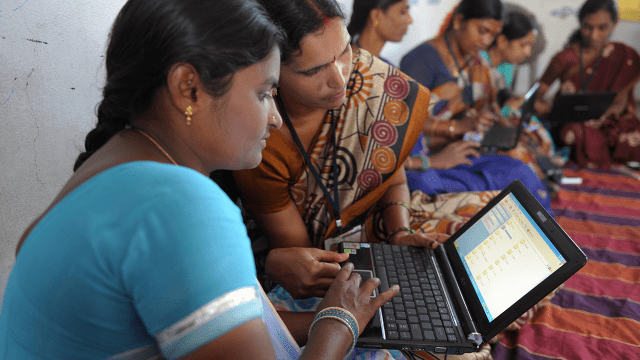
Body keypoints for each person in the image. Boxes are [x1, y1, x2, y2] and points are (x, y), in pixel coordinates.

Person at [0, 0, 400, 359]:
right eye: (263, 93)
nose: (275, 118)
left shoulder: (113, 160)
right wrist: (338, 321)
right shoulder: (183, 205)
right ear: (188, 88)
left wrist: (349, 315)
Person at [233, 0, 495, 358]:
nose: (340, 79)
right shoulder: (262, 142)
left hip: (382, 230)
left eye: (344, 52)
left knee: (481, 232)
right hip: (332, 262)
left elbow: (394, 175)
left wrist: (400, 231)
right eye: (313, 71)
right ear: (271, 73)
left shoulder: (372, 86)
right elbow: (312, 258)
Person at [399, 0, 554, 213]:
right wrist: (456, 127)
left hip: (464, 149)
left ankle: (538, 237)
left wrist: (487, 124)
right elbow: (405, 122)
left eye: (492, 34)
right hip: (427, 157)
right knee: (429, 190)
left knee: (520, 172)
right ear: (459, 21)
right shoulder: (420, 59)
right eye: (482, 31)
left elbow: (489, 104)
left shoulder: (477, 60)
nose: (486, 41)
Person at [536, 0, 640, 169]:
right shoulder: (565, 58)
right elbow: (537, 93)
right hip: (573, 122)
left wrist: (600, 119)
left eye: (602, 27)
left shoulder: (624, 55)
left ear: (614, 24)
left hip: (609, 120)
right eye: (587, 27)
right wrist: (549, 109)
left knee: (630, 137)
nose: (594, 35)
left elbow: (620, 102)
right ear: (580, 23)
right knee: (572, 135)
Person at [347, 0, 413, 63]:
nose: (410, 20)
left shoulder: (389, 70)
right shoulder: (342, 66)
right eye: (403, 12)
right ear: (376, 16)